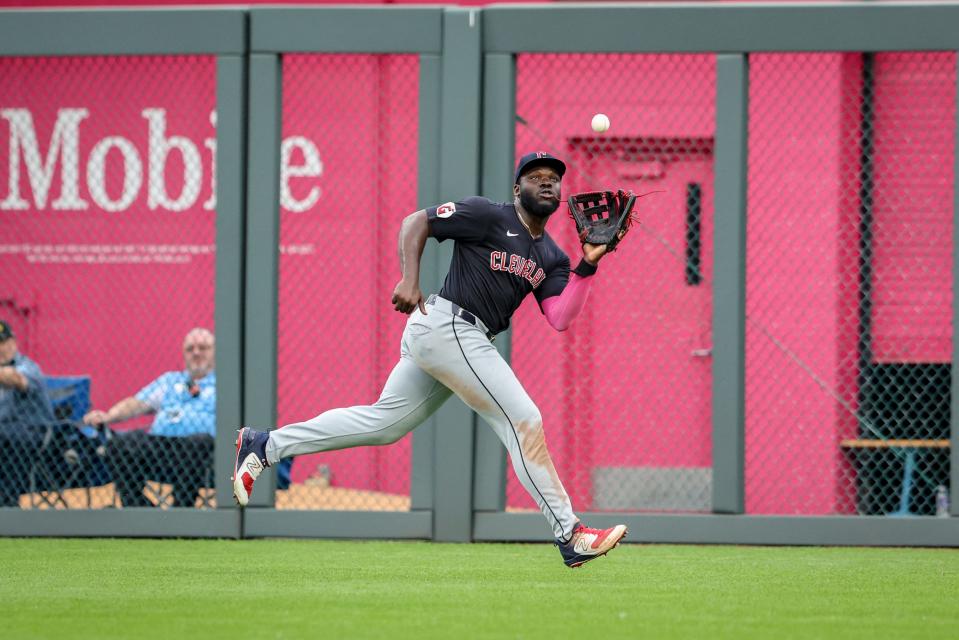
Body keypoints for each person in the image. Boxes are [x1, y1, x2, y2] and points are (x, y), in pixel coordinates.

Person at [233, 152, 628, 567]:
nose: (546, 183)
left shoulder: (551, 256)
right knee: (523, 420)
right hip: (449, 325)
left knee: (383, 424)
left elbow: (560, 317)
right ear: (517, 189)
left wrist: (587, 264)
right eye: (535, 177)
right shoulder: (487, 215)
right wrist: (409, 277)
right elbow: (415, 222)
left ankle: (265, 444)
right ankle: (570, 533)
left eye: (553, 179)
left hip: (458, 338)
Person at [84, 327, 216, 507]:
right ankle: (141, 510)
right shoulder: (170, 380)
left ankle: (181, 512)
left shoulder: (225, 382)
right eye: (190, 349)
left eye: (203, 347)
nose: (196, 352)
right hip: (161, 446)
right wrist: (108, 417)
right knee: (119, 444)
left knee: (198, 442)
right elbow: (137, 403)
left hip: (204, 451)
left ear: (215, 352)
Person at [0, 319, 56, 507]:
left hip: (35, 435)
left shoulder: (28, 367)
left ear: (14, 342)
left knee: (8, 436)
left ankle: (7, 505)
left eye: (3, 343)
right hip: (6, 434)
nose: (1, 349)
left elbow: (16, 378)